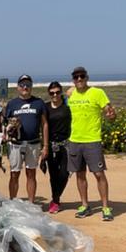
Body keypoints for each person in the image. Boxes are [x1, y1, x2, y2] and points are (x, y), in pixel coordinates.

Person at [66, 66, 116, 221]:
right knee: (80, 175)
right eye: (76, 77)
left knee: (99, 174)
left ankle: (106, 207)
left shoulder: (98, 93)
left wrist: (112, 115)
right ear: (73, 80)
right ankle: (85, 205)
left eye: (82, 76)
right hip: (75, 140)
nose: (79, 79)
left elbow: (110, 113)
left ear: (87, 77)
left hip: (92, 140)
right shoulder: (70, 94)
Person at [3, 74, 49, 202]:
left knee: (31, 173)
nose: (25, 87)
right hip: (15, 144)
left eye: (28, 85)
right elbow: (5, 123)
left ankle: (31, 204)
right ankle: (12, 202)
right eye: (22, 85)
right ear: (18, 87)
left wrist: (45, 146)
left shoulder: (39, 103)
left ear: (31, 86)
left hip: (33, 143)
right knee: (14, 174)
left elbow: (44, 124)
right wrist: (7, 132)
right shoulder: (12, 104)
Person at [43, 81, 72, 214]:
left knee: (65, 173)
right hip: (51, 145)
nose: (55, 95)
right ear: (49, 94)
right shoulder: (45, 107)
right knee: (53, 175)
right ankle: (56, 201)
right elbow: (42, 125)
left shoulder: (68, 105)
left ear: (61, 92)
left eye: (57, 92)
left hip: (66, 144)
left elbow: (75, 93)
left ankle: (55, 199)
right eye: (52, 93)